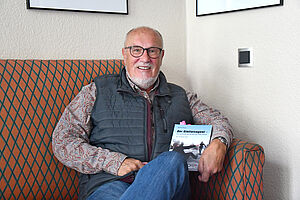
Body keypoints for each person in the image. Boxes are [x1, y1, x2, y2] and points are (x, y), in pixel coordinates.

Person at [52, 26, 233, 200]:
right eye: (136, 50)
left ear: (161, 56)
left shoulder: (182, 96)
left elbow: (218, 120)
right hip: (109, 184)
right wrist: (116, 162)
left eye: (152, 51)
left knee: (171, 160)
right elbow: (63, 141)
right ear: (124, 54)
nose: (145, 58)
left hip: (168, 187)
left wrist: (219, 143)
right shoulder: (96, 91)